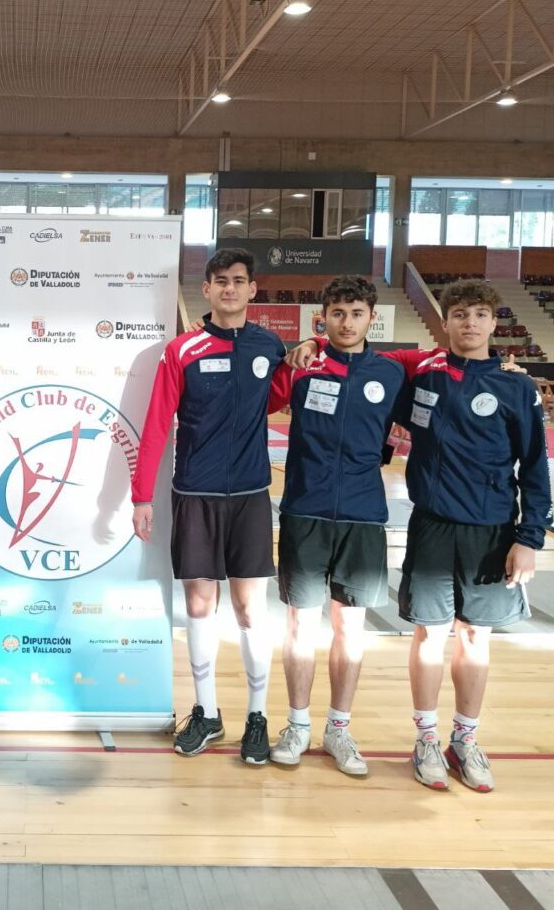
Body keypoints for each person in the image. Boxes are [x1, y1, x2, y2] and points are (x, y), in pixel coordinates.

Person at [289, 279, 551, 791]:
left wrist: (530, 537)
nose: (470, 323)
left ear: (494, 323)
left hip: (493, 529)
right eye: (460, 314)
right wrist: (314, 341)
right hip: (430, 524)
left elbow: (536, 466)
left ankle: (465, 739)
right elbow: (355, 355)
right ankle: (426, 739)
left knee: (474, 636)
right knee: (429, 633)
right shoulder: (423, 371)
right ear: (444, 322)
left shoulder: (515, 387)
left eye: (480, 314)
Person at [131, 247, 285, 764]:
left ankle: (257, 717)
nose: (229, 289)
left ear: (252, 289)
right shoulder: (183, 350)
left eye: (238, 280)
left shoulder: (269, 346)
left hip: (250, 496)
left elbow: (279, 395)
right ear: (207, 289)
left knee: (250, 609)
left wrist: (306, 350)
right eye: (220, 281)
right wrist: (141, 495)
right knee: (200, 606)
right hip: (195, 493)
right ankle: (208, 712)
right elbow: (157, 423)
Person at [265, 276, 407, 776]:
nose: (347, 322)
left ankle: (339, 729)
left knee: (350, 626)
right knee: (300, 623)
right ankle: (298, 725)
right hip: (305, 509)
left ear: (372, 318)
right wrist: (297, 352)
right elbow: (265, 399)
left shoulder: (392, 373)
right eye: (338, 313)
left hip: (363, 514)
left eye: (357, 313)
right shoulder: (303, 365)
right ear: (322, 318)